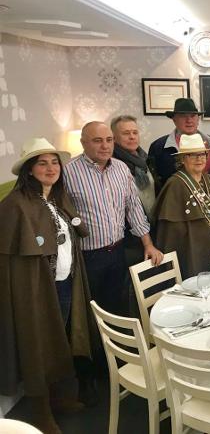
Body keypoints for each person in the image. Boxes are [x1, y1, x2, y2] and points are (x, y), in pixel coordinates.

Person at [0, 138, 93, 433]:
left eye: (54, 162)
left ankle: (56, 399)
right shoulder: (15, 205)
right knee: (37, 345)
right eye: (42, 163)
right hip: (35, 290)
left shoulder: (55, 199)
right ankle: (39, 410)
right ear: (29, 170)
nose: (50, 168)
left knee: (59, 340)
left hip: (64, 283)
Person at [64, 122, 163, 317]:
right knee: (91, 309)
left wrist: (148, 244)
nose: (105, 146)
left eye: (109, 140)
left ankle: (118, 345)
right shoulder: (68, 172)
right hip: (87, 256)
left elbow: (133, 208)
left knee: (118, 304)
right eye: (97, 141)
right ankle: (97, 348)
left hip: (118, 250)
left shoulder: (121, 169)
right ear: (83, 143)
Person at [152, 134, 210, 277]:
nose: (199, 159)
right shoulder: (175, 184)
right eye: (193, 155)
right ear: (183, 159)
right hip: (192, 251)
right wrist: (205, 236)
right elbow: (173, 232)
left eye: (202, 154)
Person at [148, 98, 210, 193]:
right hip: (175, 200)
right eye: (183, 116)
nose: (189, 120)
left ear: (198, 119)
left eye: (193, 116)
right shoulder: (158, 147)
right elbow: (155, 183)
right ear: (174, 119)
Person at [111, 115, 156, 215]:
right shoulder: (112, 165)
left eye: (135, 132)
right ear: (114, 138)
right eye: (126, 133)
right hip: (130, 225)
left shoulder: (146, 159)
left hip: (152, 220)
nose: (132, 137)